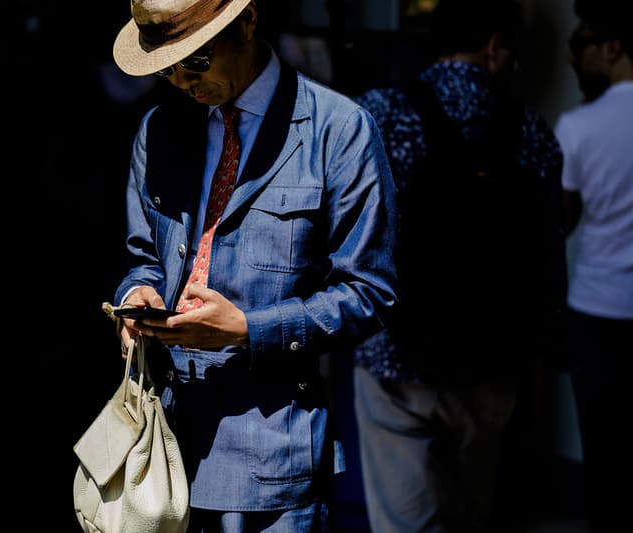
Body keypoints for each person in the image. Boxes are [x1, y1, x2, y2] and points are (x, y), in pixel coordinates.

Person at [108, 0, 398, 530]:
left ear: (246, 22)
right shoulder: (159, 130)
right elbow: (143, 258)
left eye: (194, 61)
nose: (179, 80)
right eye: (165, 66)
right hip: (161, 447)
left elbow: (368, 293)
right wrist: (137, 297)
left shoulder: (339, 130)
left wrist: (248, 330)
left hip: (274, 454)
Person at [351, 0, 567, 531]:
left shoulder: (377, 113)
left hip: (396, 358)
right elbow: (548, 251)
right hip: (490, 360)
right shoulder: (533, 132)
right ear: (494, 46)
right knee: (471, 513)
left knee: (404, 520)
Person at [554, 1, 633, 531]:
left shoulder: (580, 125)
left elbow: (562, 220)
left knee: (603, 446)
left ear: (613, 48)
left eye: (580, 46)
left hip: (598, 307)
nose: (572, 60)